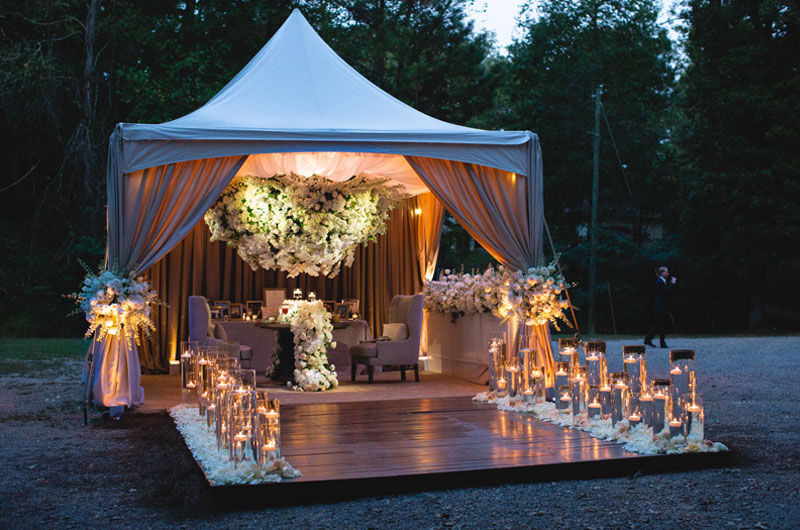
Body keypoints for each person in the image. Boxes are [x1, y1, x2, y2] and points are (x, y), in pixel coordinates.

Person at [644, 266, 677, 348]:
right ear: (662, 273)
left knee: (659, 324)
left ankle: (649, 339)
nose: (668, 273)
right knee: (661, 324)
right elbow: (666, 291)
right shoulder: (659, 282)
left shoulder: (663, 281)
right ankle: (661, 342)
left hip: (662, 305)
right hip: (660, 306)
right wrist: (672, 283)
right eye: (666, 272)